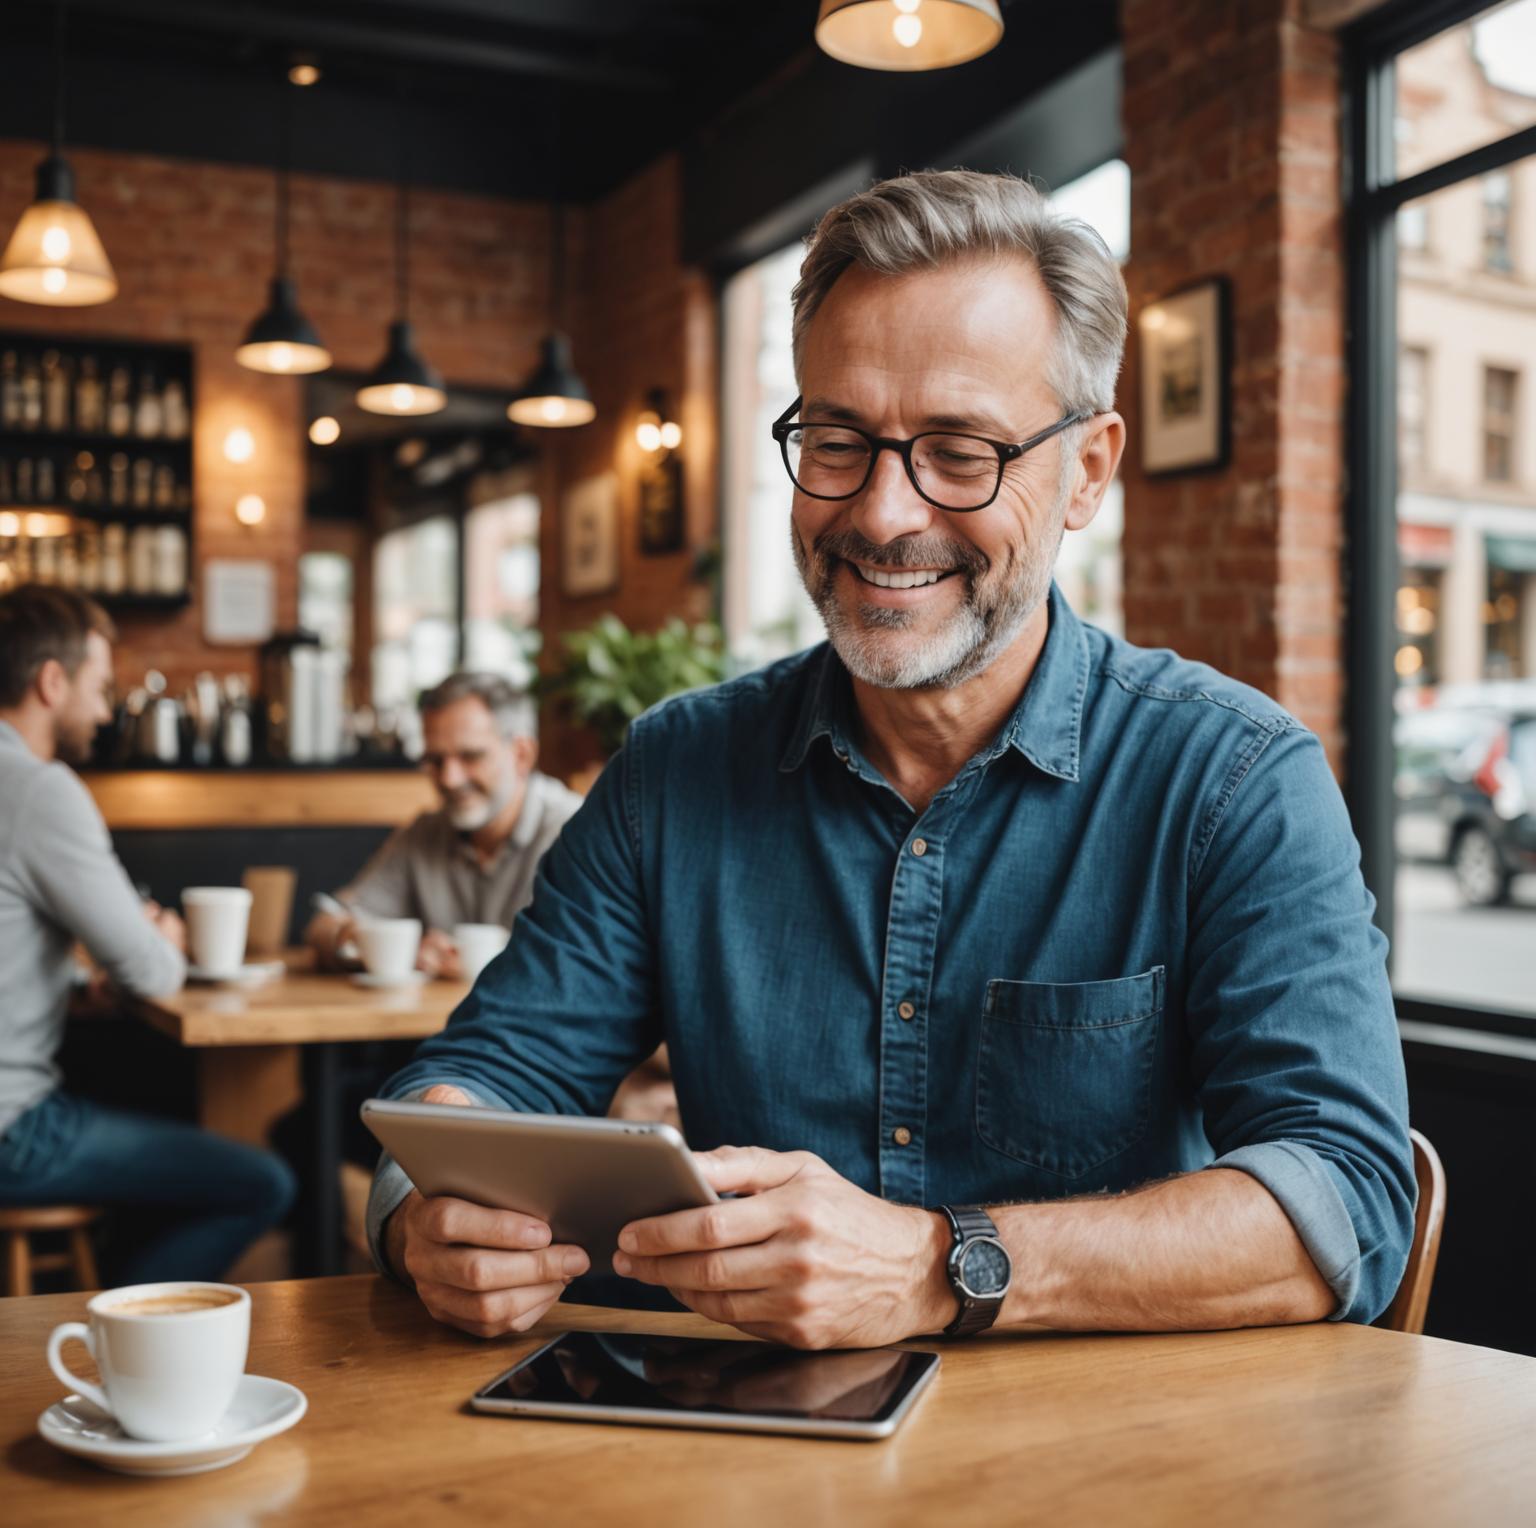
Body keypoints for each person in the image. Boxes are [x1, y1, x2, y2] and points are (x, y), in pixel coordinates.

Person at [366, 170, 1414, 1348]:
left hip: (1110, 1470)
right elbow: (487, 1072)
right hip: (746, 1462)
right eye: (837, 438)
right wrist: (429, 1221)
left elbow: (1346, 1200)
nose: (880, 512)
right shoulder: (673, 772)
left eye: (961, 451)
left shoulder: (1234, 779)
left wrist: (938, 1265)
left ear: (1089, 471)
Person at [0, 585, 295, 1283]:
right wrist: (156, 932)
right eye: (100, 688)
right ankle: (113, 1338)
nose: (105, 712)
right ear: (51, 681)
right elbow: (154, 975)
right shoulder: (39, 790)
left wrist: (72, 987)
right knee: (261, 1183)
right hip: (12, 1132)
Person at [306, 672, 581, 981]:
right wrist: (368, 943)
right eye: (435, 760)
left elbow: (587, 964)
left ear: (522, 754)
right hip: (441, 1026)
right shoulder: (425, 833)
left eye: (470, 757)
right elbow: (325, 924)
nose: (449, 779)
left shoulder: (576, 833)